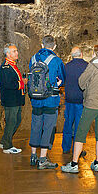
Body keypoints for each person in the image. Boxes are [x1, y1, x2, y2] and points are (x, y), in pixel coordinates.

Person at [61, 45, 98, 173]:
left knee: (80, 134)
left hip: (91, 105)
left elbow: (81, 82)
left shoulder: (92, 66)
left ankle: (73, 164)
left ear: (95, 53)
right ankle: (97, 162)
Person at [29, 35, 66, 169]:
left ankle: (33, 155)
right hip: (51, 99)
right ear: (54, 46)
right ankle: (43, 159)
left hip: (36, 98)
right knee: (48, 127)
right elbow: (62, 78)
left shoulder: (33, 58)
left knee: (36, 125)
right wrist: (59, 82)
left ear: (42, 45)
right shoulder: (56, 60)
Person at [0, 43, 28, 154]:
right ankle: (7, 146)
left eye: (16, 50)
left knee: (16, 120)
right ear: (8, 54)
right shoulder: (6, 67)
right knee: (11, 122)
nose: (17, 53)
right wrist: (22, 83)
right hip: (11, 100)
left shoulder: (12, 65)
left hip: (16, 99)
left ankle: (3, 141)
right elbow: (8, 84)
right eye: (14, 51)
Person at [61, 47, 88, 155]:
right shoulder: (87, 66)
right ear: (81, 54)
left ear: (72, 55)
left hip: (69, 100)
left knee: (67, 123)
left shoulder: (66, 66)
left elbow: (62, 81)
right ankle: (78, 149)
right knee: (79, 126)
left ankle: (66, 147)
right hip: (81, 100)